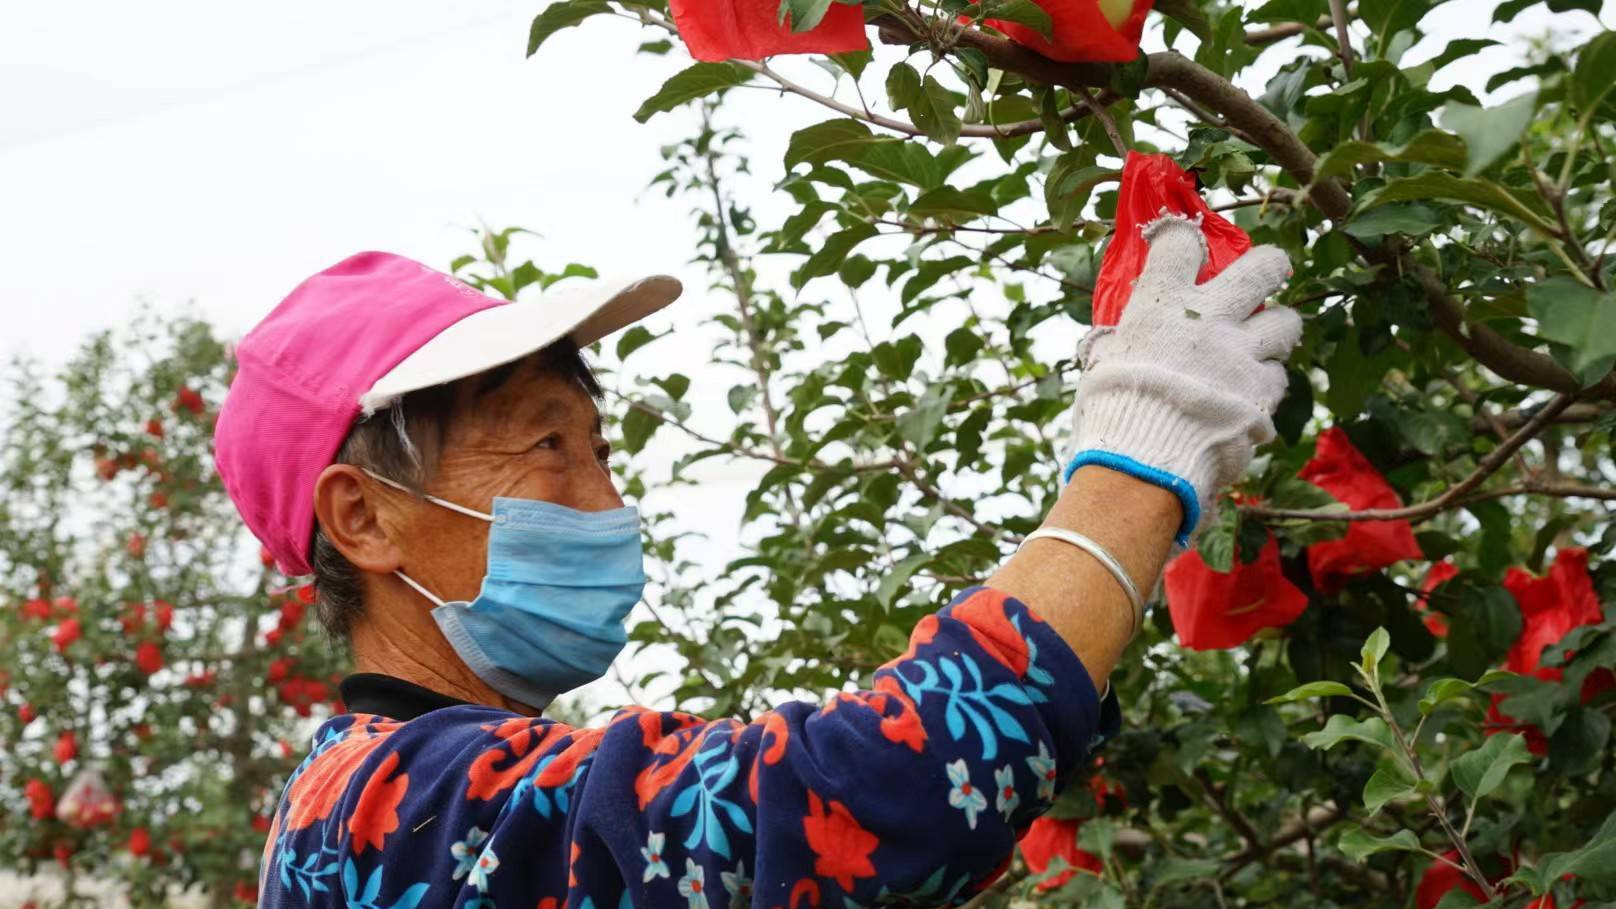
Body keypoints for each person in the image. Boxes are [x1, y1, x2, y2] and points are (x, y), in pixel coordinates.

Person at [215, 221, 1298, 908]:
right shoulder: (389, 808)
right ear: (363, 521)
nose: (606, 505)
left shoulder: (417, 795)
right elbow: (858, 801)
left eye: (601, 452)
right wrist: (1140, 446)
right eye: (546, 448)